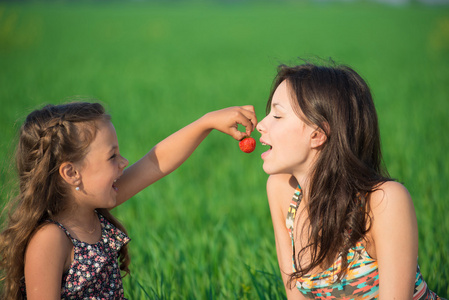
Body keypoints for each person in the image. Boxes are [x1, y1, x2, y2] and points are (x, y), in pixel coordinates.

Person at [0, 101, 257, 299]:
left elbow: (156, 163)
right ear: (71, 173)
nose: (124, 163)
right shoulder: (50, 240)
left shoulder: (94, 208)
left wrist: (207, 122)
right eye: (112, 157)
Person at [256, 62, 445, 299]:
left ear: (318, 134)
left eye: (277, 115)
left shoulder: (384, 201)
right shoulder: (281, 191)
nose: (260, 125)